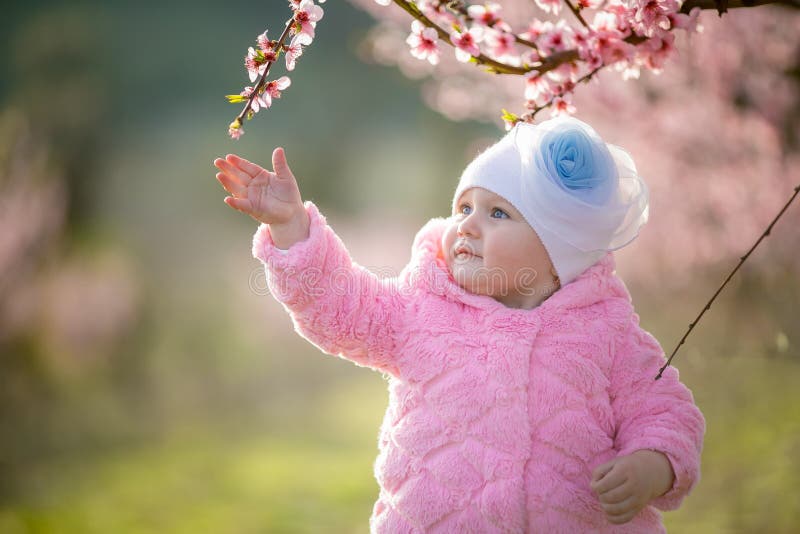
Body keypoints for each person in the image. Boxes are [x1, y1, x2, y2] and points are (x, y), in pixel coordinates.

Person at [212, 116, 706, 533]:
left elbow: (664, 413)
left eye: (497, 213)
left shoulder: (608, 335)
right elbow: (340, 307)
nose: (468, 225)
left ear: (559, 255)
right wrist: (290, 228)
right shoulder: (421, 311)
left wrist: (652, 466)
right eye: (463, 208)